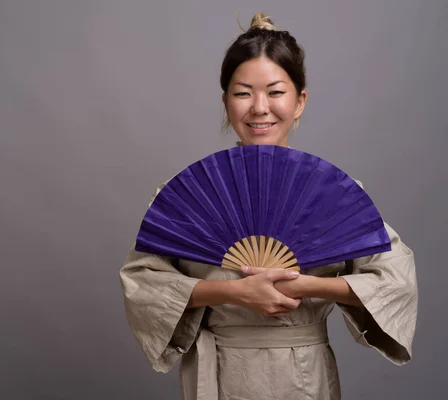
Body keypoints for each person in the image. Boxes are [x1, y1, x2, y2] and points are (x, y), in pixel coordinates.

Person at [119, 12, 418, 400]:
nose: (260, 107)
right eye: (243, 93)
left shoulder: (334, 194)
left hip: (303, 374)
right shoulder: (189, 194)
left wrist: (307, 285)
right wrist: (233, 293)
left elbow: (395, 281)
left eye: (276, 92)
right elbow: (143, 283)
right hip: (217, 373)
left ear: (299, 101)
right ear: (225, 101)